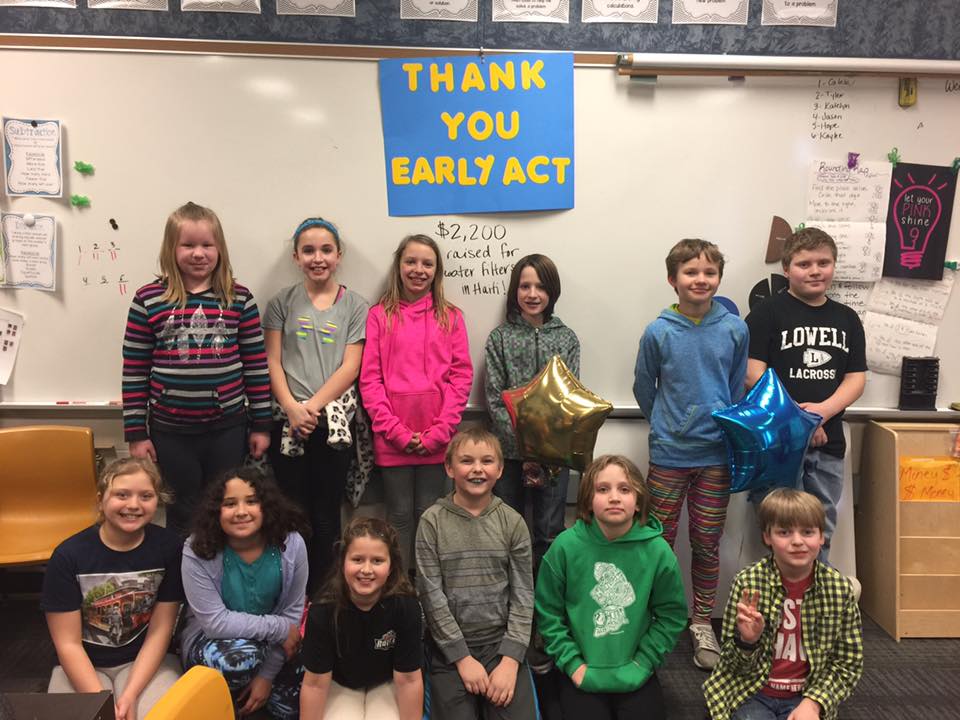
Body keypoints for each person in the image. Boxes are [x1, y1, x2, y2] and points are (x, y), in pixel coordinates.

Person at [122, 201, 272, 537]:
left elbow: (256, 367)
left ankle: (221, 571)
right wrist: (136, 433)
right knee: (181, 512)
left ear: (220, 249)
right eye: (188, 245)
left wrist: (261, 425)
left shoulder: (238, 298)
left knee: (225, 508)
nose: (198, 253)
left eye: (207, 245)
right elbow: (134, 369)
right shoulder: (149, 299)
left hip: (228, 429)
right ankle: (184, 572)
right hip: (170, 431)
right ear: (171, 249)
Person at [632, 238, 749, 670]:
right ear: (673, 279)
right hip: (669, 455)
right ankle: (655, 617)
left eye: (709, 272)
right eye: (691, 272)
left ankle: (701, 621)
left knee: (706, 542)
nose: (701, 279)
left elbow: (735, 388)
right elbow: (644, 387)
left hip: (716, 456)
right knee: (657, 542)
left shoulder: (735, 329)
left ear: (719, 278)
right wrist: (668, 424)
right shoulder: (658, 332)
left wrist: (720, 426)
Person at [744, 227, 866, 562]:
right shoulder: (766, 313)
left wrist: (820, 413)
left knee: (820, 528)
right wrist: (799, 420)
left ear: (834, 265)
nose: (815, 271)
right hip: (778, 443)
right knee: (777, 528)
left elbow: (856, 379)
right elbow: (751, 374)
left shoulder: (847, 319)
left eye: (823, 263)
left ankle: (813, 595)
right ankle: (777, 595)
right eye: (804, 264)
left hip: (828, 442)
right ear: (787, 269)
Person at [535, 455, 687, 720]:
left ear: (638, 502)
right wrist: (572, 663)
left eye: (625, 489)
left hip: (635, 667)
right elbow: (548, 614)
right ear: (588, 501)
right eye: (603, 489)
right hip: (580, 668)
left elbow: (671, 616)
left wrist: (644, 662)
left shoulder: (658, 551)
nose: (614, 497)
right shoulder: (565, 547)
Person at [264, 217, 369, 591]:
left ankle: (324, 594)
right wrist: (293, 409)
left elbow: (351, 366)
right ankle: (293, 593)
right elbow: (272, 361)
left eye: (326, 250)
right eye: (308, 251)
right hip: (287, 422)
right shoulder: (280, 303)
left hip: (333, 426)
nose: (317, 258)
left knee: (326, 515)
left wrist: (312, 408)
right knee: (292, 513)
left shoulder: (356, 305)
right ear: (296, 257)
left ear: (339, 255)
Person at [360, 234, 472, 571]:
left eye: (427, 264)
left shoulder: (451, 317)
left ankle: (427, 587)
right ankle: (400, 587)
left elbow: (461, 377)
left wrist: (440, 432)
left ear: (437, 271)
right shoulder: (379, 315)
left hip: (436, 439)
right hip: (392, 438)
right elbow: (370, 380)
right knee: (398, 516)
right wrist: (394, 431)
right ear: (399, 266)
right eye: (411, 261)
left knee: (429, 515)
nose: (418, 270)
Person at [703, 488, 863, 720]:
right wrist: (747, 641)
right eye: (784, 532)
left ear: (822, 537)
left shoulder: (839, 589)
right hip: (752, 690)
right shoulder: (748, 583)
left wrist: (814, 703)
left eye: (808, 532)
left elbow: (848, 663)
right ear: (767, 537)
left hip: (806, 693)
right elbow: (731, 666)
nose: (797, 541)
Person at [42, 457, 183, 720]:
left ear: (157, 501)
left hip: (146, 662)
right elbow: (68, 644)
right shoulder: (68, 556)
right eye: (122, 495)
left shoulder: (170, 548)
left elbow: (160, 631)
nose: (134, 505)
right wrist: (104, 704)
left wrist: (130, 694)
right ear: (101, 500)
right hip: (83, 665)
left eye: (146, 496)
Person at [415, 427, 537, 720]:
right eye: (467, 461)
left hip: (501, 646)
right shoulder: (431, 522)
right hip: (450, 650)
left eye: (487, 461)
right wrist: (462, 658)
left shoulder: (513, 523)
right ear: (449, 468)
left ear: (500, 469)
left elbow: (523, 596)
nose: (477, 469)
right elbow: (431, 597)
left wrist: (510, 660)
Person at [181, 467, 309, 719]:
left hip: (275, 646)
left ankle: (261, 696)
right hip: (217, 642)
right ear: (216, 511)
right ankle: (227, 704)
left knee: (307, 676)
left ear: (267, 506)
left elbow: (293, 611)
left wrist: (267, 675)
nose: (241, 512)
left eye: (251, 501)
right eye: (230, 504)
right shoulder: (197, 548)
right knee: (239, 660)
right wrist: (279, 628)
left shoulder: (292, 543)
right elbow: (215, 622)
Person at [484, 253, 580, 565]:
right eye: (525, 286)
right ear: (515, 290)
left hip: (553, 455)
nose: (532, 294)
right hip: (510, 452)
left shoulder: (566, 338)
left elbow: (569, 397)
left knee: (549, 533)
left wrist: (542, 446)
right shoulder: (500, 338)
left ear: (552, 291)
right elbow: (495, 398)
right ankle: (513, 594)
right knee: (508, 532)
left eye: (541, 287)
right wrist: (525, 444)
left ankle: (545, 595)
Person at [300, 517, 423, 719]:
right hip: (339, 684)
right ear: (342, 563)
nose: (366, 570)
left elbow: (409, 680)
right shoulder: (323, 610)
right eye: (357, 559)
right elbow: (315, 685)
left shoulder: (406, 607)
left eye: (377, 561)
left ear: (391, 567)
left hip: (387, 682)